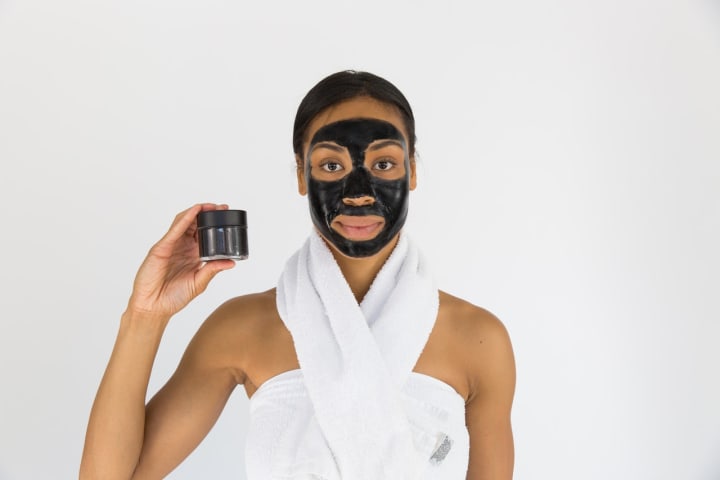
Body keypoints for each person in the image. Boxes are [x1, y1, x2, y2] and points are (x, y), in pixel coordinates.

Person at [80, 70, 516, 479]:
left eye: (383, 164)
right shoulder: (241, 329)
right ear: (301, 175)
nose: (359, 194)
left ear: (413, 170)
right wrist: (145, 316)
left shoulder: (479, 340)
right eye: (332, 166)